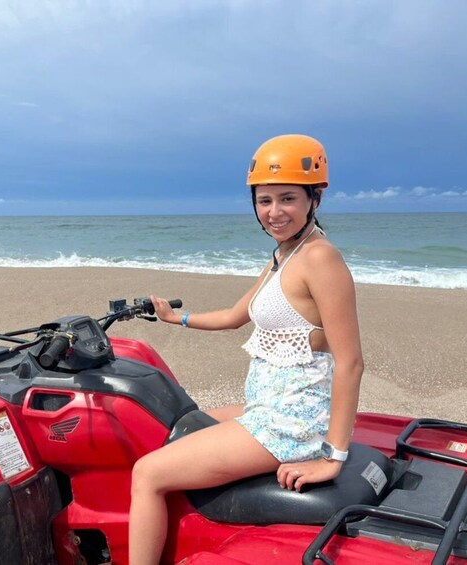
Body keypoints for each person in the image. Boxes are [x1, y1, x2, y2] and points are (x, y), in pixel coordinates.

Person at [128, 134, 364, 565]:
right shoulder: (285, 254)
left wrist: (333, 457)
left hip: (292, 418)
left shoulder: (319, 259)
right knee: (179, 422)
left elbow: (350, 362)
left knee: (147, 472)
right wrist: (175, 318)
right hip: (270, 403)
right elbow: (237, 315)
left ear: (315, 198)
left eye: (288, 198)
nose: (275, 212)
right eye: (265, 200)